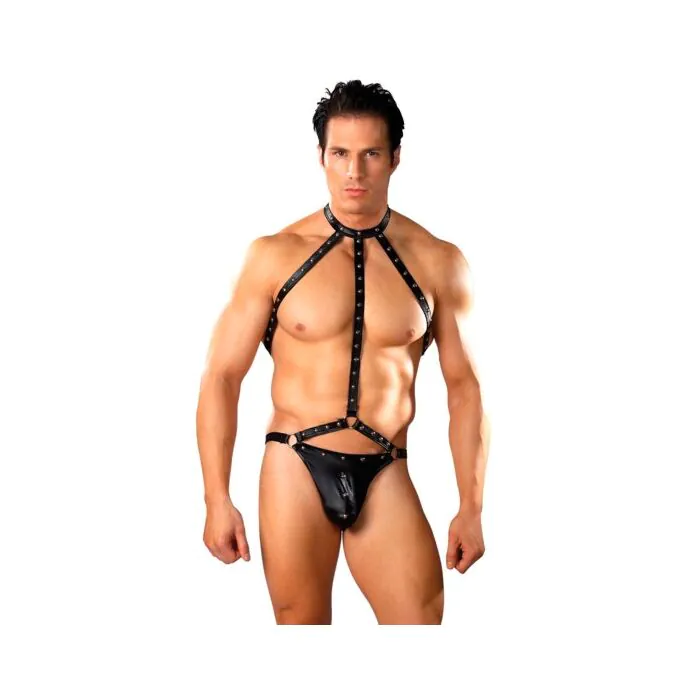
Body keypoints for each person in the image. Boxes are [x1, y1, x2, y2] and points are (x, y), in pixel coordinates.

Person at [196, 80, 490, 624]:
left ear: (395, 157)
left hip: (386, 463)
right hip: (295, 459)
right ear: (321, 156)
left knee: (420, 625)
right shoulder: (275, 255)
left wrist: (471, 507)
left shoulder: (438, 261)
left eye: (371, 154)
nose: (354, 172)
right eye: (340, 154)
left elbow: (465, 388)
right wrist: (216, 497)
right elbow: (222, 376)